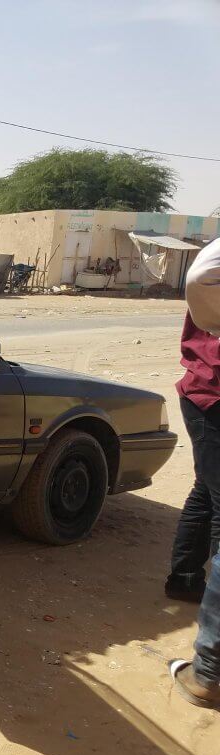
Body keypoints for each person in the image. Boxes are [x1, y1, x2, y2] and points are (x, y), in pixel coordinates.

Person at [169, 237, 220, 708]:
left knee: (207, 492)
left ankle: (184, 580)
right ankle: (209, 671)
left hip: (204, 393)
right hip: (212, 396)